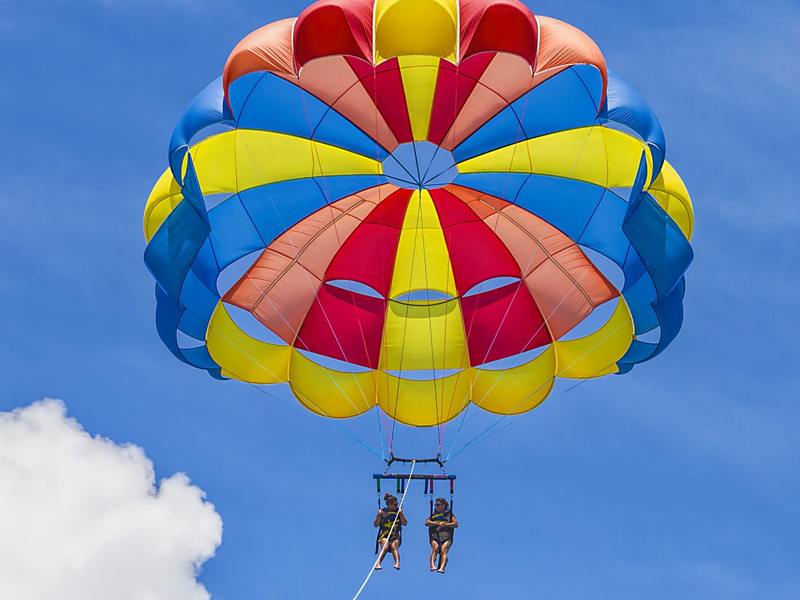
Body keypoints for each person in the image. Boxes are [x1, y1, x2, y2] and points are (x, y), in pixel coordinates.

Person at [374, 493, 407, 570]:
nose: (396, 506)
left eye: (397, 504)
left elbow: (405, 523)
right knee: (385, 547)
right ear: (389, 504)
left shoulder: (398, 512)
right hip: (385, 534)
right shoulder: (382, 512)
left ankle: (397, 563)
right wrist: (379, 515)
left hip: (395, 535)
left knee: (393, 547)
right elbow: (376, 524)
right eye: (395, 504)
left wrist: (401, 514)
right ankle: (377, 563)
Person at [425, 497, 458, 573]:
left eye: (438, 505)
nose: (436, 507)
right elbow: (426, 522)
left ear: (443, 505)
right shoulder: (434, 515)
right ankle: (432, 565)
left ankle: (442, 567)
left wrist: (445, 524)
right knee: (435, 548)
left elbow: (455, 524)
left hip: (446, 536)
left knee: (444, 550)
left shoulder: (449, 514)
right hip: (435, 535)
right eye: (435, 505)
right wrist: (436, 523)